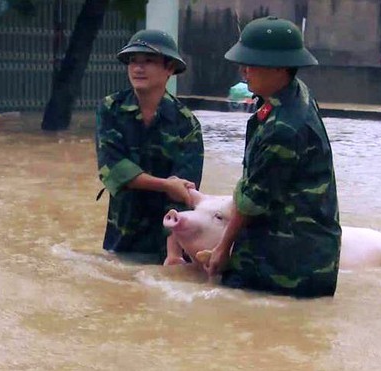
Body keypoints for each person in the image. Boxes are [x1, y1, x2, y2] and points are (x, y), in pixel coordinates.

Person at [204, 17, 342, 298]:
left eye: (252, 63)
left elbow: (251, 201)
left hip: (285, 264)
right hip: (303, 252)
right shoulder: (294, 93)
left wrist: (221, 248)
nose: (243, 70)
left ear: (280, 67)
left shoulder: (284, 129)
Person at [95, 29, 205, 265]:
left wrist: (173, 254)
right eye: (133, 61)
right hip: (121, 236)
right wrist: (165, 184)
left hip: (164, 241)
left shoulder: (186, 123)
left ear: (170, 68)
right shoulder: (111, 108)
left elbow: (184, 192)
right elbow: (113, 170)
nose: (138, 68)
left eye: (149, 61)